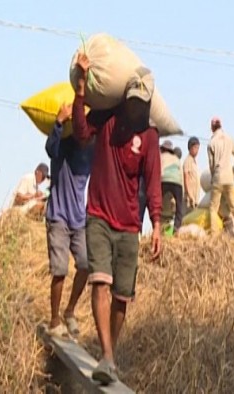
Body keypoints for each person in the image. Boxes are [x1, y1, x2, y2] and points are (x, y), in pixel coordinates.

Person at [72, 52, 162, 385]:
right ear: (124, 100)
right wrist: (81, 90)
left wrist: (156, 226)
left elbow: (152, 182)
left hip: (128, 224)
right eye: (132, 102)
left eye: (141, 104)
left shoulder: (150, 138)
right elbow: (80, 132)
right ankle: (108, 357)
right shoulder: (106, 119)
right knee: (101, 281)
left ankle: (108, 351)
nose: (135, 109)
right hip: (98, 214)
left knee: (122, 296)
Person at [44, 103, 95, 339]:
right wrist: (57, 122)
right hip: (58, 217)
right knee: (60, 270)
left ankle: (70, 310)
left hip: (79, 219)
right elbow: (50, 149)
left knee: (85, 265)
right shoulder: (63, 146)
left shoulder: (91, 152)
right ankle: (54, 318)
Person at [208, 117, 234, 236]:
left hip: (218, 177)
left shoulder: (211, 142)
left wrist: (213, 179)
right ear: (221, 126)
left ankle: (214, 236)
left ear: (212, 128)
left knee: (214, 208)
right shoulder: (230, 139)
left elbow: (212, 165)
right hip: (229, 177)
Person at [160, 140, 184, 233]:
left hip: (164, 180)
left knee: (158, 204)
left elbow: (159, 170)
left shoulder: (161, 156)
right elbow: (181, 174)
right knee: (179, 207)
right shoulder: (176, 159)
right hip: (177, 182)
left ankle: (158, 225)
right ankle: (177, 227)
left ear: (162, 149)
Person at [183, 137, 201, 211]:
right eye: (196, 148)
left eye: (198, 148)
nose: (197, 150)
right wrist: (190, 195)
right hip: (189, 200)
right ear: (191, 148)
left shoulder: (194, 162)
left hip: (194, 199)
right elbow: (186, 177)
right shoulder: (188, 161)